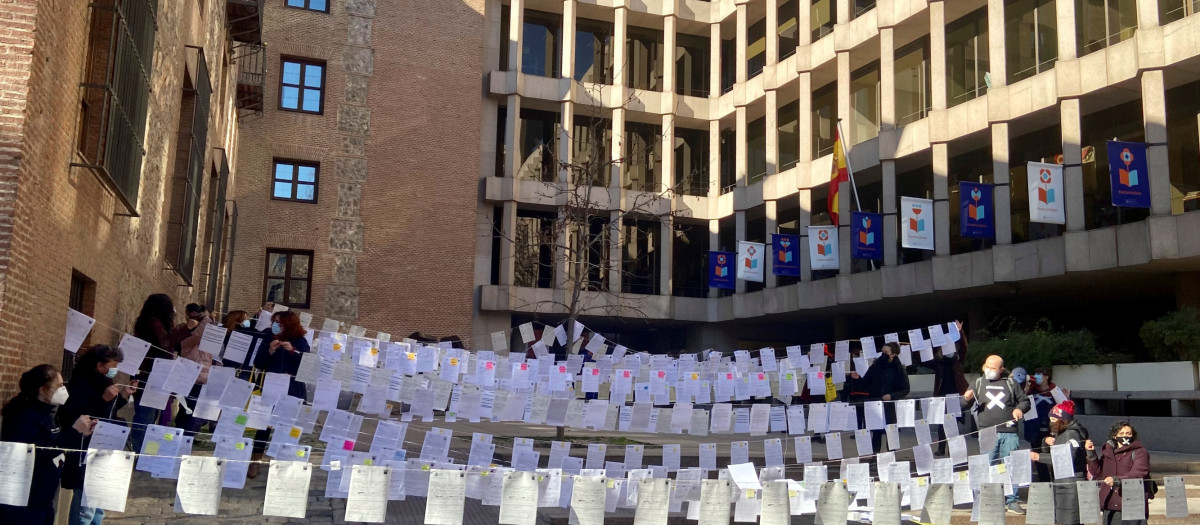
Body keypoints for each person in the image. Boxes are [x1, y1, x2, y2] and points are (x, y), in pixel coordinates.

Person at [0, 365, 96, 523]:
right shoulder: (25, 418)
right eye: (58, 386)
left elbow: (57, 444)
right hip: (26, 501)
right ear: (43, 390)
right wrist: (73, 431)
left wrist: (81, 433)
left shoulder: (49, 414)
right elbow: (37, 452)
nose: (63, 389)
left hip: (45, 496)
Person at [59, 345, 136, 525]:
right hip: (85, 449)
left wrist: (123, 396)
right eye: (113, 364)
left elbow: (107, 413)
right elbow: (81, 415)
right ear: (100, 365)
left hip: (103, 445)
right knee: (85, 505)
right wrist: (103, 400)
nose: (114, 369)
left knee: (99, 501)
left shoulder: (103, 382)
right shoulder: (81, 383)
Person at [962, 354, 1030, 514]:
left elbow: (1025, 401)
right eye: (987, 366)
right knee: (987, 465)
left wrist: (1019, 409)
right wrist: (966, 399)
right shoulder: (977, 383)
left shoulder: (1011, 383)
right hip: (986, 431)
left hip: (1010, 431)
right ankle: (988, 499)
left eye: (993, 368)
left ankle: (1012, 500)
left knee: (1011, 466)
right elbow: (964, 404)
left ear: (1001, 369)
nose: (989, 370)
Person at [247, 310, 310, 478]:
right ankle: (256, 460)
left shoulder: (300, 341)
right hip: (272, 385)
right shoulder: (268, 337)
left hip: (292, 388)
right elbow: (258, 363)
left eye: (279, 323)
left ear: (288, 324)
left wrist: (293, 351)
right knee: (264, 426)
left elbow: (308, 366)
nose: (275, 325)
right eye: (274, 322)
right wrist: (270, 350)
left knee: (288, 426)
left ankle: (285, 462)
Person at [130, 294, 187, 450]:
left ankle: (147, 451)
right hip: (150, 376)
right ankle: (140, 452)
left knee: (152, 415)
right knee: (146, 416)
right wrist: (185, 329)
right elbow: (164, 342)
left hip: (157, 375)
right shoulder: (153, 323)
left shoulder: (155, 323)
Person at [1031, 400, 1089, 525]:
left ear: (1063, 419)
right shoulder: (1061, 434)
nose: (1050, 423)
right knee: (1063, 519)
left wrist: (1038, 457)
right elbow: (1053, 453)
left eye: (1053, 420)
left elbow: (1066, 459)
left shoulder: (1071, 435)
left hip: (1072, 484)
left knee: (1071, 520)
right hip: (1063, 482)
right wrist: (1045, 441)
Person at [1087, 421, 1151, 525]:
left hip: (1131, 504)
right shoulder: (1109, 452)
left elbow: (1138, 473)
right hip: (1110, 503)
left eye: (1128, 433)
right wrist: (1091, 454)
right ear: (1114, 436)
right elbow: (1098, 473)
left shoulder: (1140, 452)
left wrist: (1117, 480)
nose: (1125, 436)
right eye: (1121, 433)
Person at [854, 342, 909, 453]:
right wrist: (857, 378)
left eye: (886, 352)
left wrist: (891, 395)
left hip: (891, 405)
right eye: (882, 352)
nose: (883, 355)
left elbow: (905, 389)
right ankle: (875, 458)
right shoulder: (875, 366)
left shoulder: (899, 369)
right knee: (876, 433)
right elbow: (865, 384)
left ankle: (891, 458)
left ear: (893, 354)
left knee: (891, 433)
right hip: (875, 403)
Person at [174, 304, 216, 434]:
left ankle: (187, 434)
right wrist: (207, 320)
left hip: (200, 375)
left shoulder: (207, 334)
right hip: (190, 373)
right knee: (186, 406)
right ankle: (184, 433)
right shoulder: (185, 332)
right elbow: (194, 338)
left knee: (192, 407)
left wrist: (208, 321)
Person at [932, 320, 969, 455]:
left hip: (955, 395)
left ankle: (954, 449)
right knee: (941, 424)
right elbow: (923, 358)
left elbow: (964, 347)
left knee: (954, 423)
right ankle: (941, 449)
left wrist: (960, 332)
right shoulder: (938, 363)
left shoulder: (957, 361)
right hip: (941, 396)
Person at [1026, 367, 1061, 481]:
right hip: (1035, 429)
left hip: (1051, 428)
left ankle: (1057, 479)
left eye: (1040, 374)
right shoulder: (1031, 390)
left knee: (1054, 455)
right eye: (1035, 373)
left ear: (1047, 376)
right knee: (1038, 456)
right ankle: (1044, 481)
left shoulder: (1054, 391)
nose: (1036, 376)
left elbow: (1062, 406)